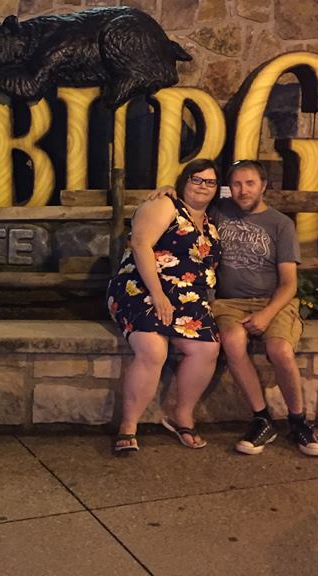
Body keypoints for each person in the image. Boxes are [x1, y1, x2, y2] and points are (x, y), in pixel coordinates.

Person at [149, 160, 318, 457]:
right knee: (232, 340)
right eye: (237, 184)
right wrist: (170, 189)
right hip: (229, 302)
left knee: (281, 350)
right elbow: (192, 197)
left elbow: (289, 283)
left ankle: (299, 421)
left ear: (263, 186)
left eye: (250, 184)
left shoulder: (281, 224)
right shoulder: (220, 211)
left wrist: (267, 314)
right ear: (228, 188)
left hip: (272, 300)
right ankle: (261, 418)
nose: (243, 191)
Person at [107, 159, 222, 456]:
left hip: (187, 297)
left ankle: (182, 416)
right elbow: (141, 244)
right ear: (184, 181)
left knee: (207, 348)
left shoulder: (211, 225)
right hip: (141, 286)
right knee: (153, 349)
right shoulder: (165, 204)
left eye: (210, 182)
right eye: (197, 179)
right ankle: (128, 425)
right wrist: (157, 294)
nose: (203, 186)